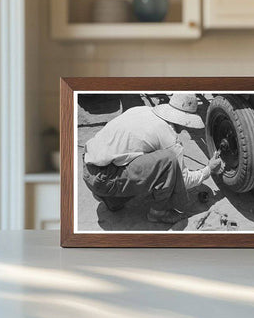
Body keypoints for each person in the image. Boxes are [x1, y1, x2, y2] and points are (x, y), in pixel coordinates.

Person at [83, 94, 223, 224]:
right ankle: (158, 213)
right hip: (103, 179)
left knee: (145, 157)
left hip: (88, 166)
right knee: (168, 161)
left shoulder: (142, 110)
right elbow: (184, 180)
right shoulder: (169, 138)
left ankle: (112, 199)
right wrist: (208, 169)